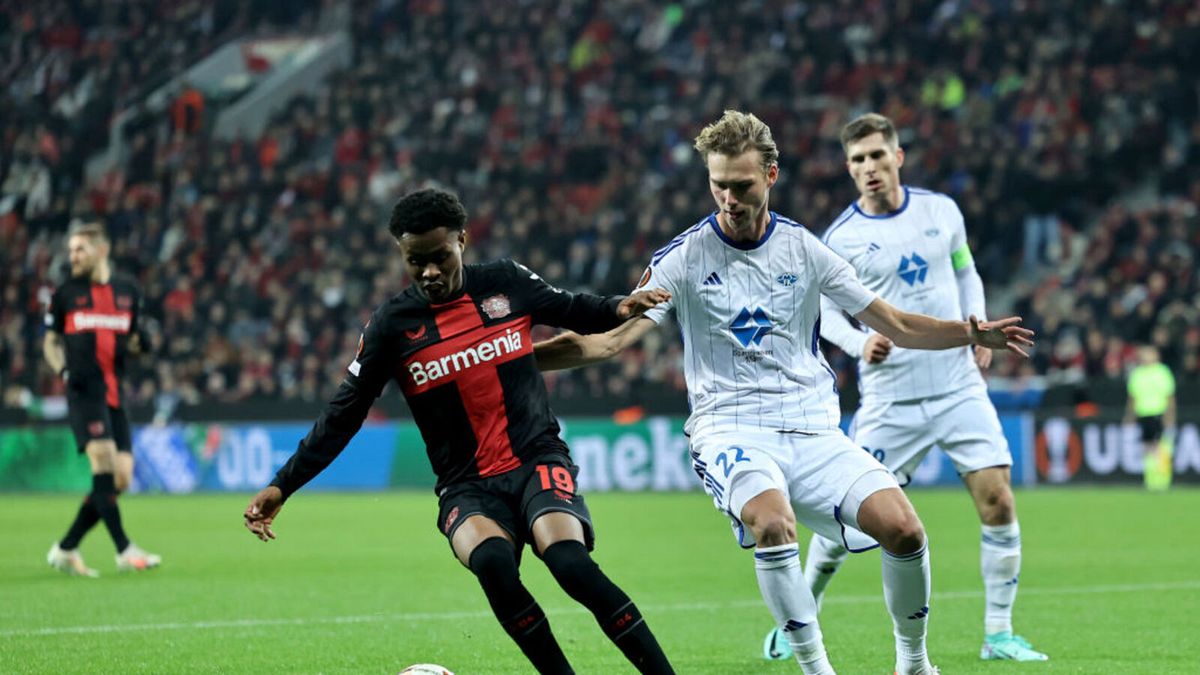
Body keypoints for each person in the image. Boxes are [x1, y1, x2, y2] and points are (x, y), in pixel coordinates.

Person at [533, 110, 1033, 675]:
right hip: (730, 427)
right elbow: (607, 341)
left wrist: (970, 332)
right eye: (718, 185)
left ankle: (914, 665)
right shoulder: (683, 258)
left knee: (905, 529)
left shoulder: (805, 250)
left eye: (742, 185)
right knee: (772, 524)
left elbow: (894, 323)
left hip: (813, 429)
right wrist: (514, 357)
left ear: (771, 176)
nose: (729, 199)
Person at [242, 188, 676, 675]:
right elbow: (343, 415)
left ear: (462, 241)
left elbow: (573, 308)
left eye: (440, 257)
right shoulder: (391, 327)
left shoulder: (505, 283)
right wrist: (284, 484)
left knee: (569, 563)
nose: (429, 271)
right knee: (493, 565)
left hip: (536, 459)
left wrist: (619, 306)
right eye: (416, 261)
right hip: (466, 485)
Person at [769, 112, 1048, 663]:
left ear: (897, 156)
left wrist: (976, 326)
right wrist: (857, 344)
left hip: (957, 386)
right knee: (847, 519)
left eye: (877, 155)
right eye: (858, 160)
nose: (869, 167)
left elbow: (966, 271)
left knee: (998, 500)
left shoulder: (941, 211)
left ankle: (998, 634)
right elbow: (824, 311)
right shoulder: (842, 238)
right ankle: (803, 612)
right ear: (849, 169)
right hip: (890, 398)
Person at [44, 222, 161, 576]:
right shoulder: (66, 294)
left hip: (114, 393)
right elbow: (50, 341)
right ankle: (125, 549)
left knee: (120, 478)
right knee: (104, 464)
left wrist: (142, 344)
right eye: (71, 250)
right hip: (83, 391)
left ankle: (66, 548)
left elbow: (135, 339)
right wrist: (63, 371)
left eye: (80, 249)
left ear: (101, 250)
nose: (73, 256)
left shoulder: (127, 291)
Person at [1125, 345, 1176, 491]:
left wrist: (1170, 416)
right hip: (1143, 414)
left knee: (1159, 445)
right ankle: (1150, 478)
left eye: (1149, 354)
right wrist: (1130, 416)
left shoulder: (1162, 372)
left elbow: (1170, 396)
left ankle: (1163, 479)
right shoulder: (1137, 374)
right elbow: (1132, 397)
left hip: (1158, 412)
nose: (1146, 357)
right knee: (1146, 446)